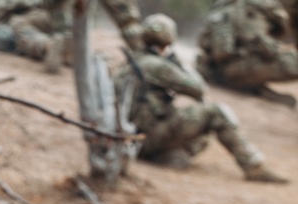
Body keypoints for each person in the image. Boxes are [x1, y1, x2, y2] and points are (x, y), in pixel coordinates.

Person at [114, 14, 287, 183]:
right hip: (147, 138)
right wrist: (179, 64)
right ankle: (253, 165)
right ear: (168, 40)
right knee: (216, 112)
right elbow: (198, 89)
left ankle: (170, 157)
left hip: (129, 140)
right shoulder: (159, 65)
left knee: (200, 137)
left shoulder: (132, 63)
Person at [195, 0, 298, 107]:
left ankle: (255, 89)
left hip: (227, 73)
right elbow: (283, 22)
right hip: (257, 66)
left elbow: (204, 43)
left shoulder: (217, 4)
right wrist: (270, 35)